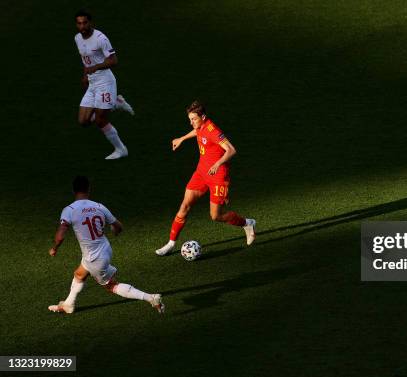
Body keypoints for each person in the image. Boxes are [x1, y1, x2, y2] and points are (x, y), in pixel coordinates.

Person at [48, 176, 164, 314]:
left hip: (94, 257)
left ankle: (151, 298)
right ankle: (68, 304)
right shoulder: (99, 206)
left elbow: (60, 237)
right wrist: (114, 230)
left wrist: (54, 248)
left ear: (73, 190)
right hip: (105, 249)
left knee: (111, 286)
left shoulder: (69, 210)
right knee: (79, 274)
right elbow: (118, 227)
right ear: (89, 189)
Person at [155, 101, 256, 256]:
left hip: (218, 176)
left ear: (203, 116)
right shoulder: (200, 126)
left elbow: (231, 150)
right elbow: (198, 131)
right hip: (201, 173)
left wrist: (217, 163)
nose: (191, 122)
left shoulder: (213, 130)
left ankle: (247, 223)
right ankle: (170, 243)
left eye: (194, 119)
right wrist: (182, 138)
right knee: (184, 206)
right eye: (189, 119)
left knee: (216, 216)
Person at [75, 9, 134, 160]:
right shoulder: (77, 39)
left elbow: (113, 60)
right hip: (92, 83)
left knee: (101, 120)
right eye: (79, 23)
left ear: (90, 23)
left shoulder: (100, 38)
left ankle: (121, 149)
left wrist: (95, 68)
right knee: (83, 121)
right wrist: (85, 76)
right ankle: (115, 102)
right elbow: (85, 61)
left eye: (85, 23)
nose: (82, 26)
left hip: (105, 82)